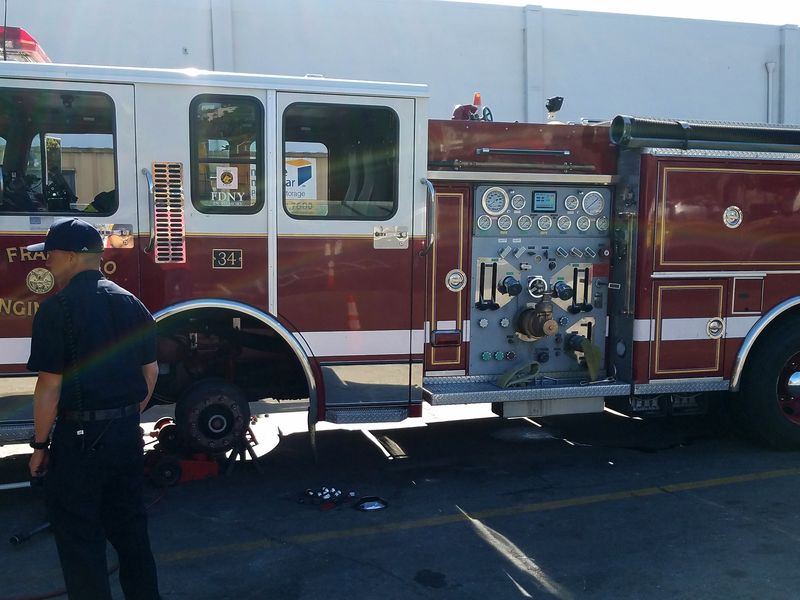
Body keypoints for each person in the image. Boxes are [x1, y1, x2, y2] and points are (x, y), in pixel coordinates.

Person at [26, 217, 161, 600]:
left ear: (69, 257)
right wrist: (125, 414)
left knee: (80, 539)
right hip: (125, 437)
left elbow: (49, 386)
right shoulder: (132, 303)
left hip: (79, 442)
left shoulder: (56, 310)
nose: (46, 262)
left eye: (50, 254)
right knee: (132, 533)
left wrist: (39, 446)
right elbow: (149, 372)